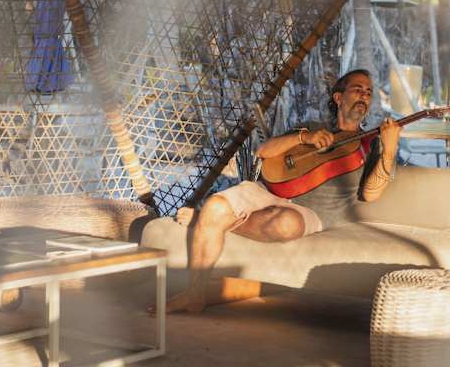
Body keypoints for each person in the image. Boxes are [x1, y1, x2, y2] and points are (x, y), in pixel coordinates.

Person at [164, 69, 401, 313]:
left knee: (285, 224)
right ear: (338, 98)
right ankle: (194, 294)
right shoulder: (312, 127)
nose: (364, 95)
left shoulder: (373, 143)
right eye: (357, 89)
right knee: (215, 206)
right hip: (271, 190)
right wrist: (304, 138)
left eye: (368, 92)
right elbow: (264, 152)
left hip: (313, 212)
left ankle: (208, 221)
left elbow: (371, 194)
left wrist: (390, 148)